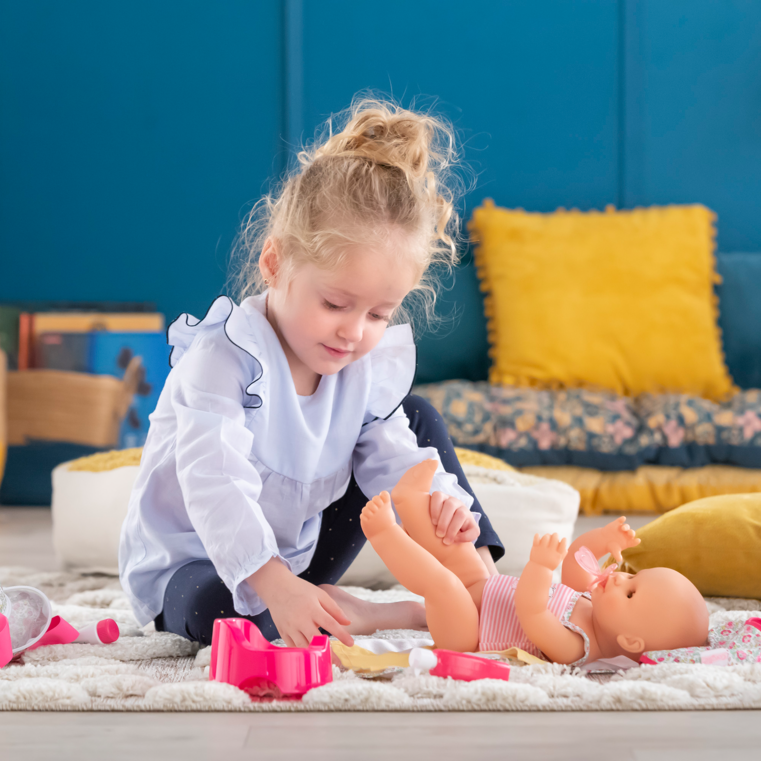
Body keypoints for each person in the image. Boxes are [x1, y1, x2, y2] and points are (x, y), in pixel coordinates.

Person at [118, 95, 505, 649]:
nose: (353, 332)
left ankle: (480, 588)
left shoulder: (360, 364)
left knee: (414, 419)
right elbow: (216, 487)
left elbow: (398, 462)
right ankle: (403, 614)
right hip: (192, 563)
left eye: (378, 314)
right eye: (336, 304)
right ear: (275, 264)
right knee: (224, 617)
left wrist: (442, 506)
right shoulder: (223, 359)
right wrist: (276, 585)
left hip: (297, 559)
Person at [360, 459, 708, 663]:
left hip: (466, 634)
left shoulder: (578, 647)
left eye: (630, 593)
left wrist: (541, 568)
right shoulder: (593, 603)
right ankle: (410, 501)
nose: (620, 579)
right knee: (459, 549)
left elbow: (532, 612)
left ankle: (384, 535)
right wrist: (602, 539)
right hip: (485, 591)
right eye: (633, 577)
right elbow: (575, 562)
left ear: (631, 641)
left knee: (443, 584)